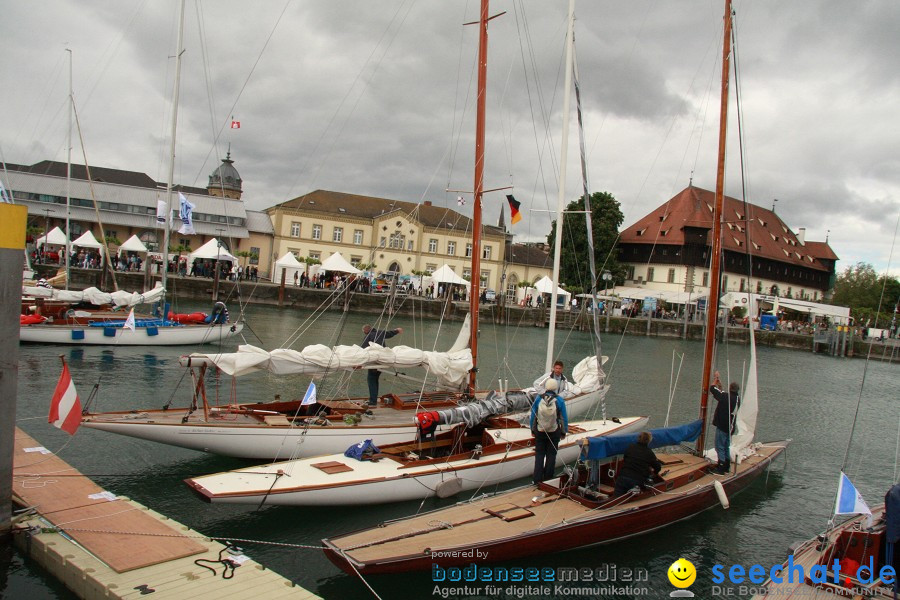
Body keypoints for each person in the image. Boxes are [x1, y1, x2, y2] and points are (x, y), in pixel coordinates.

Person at [530, 378, 568, 484]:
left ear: (546, 387)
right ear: (555, 387)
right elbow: (563, 417)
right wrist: (564, 432)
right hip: (554, 431)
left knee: (539, 455)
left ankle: (537, 479)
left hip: (540, 431)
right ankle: (548, 480)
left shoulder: (538, 399)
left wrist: (532, 430)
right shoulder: (559, 400)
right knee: (551, 455)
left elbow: (533, 415)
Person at [361, 324, 403, 406]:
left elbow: (363, 349)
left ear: (366, 331)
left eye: (364, 332)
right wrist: (397, 330)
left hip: (375, 362)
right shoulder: (381, 332)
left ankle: (373, 401)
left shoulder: (368, 336)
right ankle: (373, 399)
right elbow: (390, 334)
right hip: (383, 361)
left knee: (371, 380)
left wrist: (360, 362)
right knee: (375, 379)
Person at [613, 431, 662, 497]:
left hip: (622, 477)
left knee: (616, 499)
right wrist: (654, 473)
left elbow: (625, 459)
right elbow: (658, 467)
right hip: (636, 481)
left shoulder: (630, 447)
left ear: (638, 438)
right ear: (649, 441)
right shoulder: (649, 453)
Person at [709, 370, 740, 474]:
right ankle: (726, 465)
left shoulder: (726, 397)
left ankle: (721, 466)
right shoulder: (737, 399)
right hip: (730, 427)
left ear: (730, 389)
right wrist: (720, 384)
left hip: (722, 426)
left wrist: (715, 379)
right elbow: (721, 395)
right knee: (726, 446)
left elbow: (712, 389)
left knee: (719, 446)